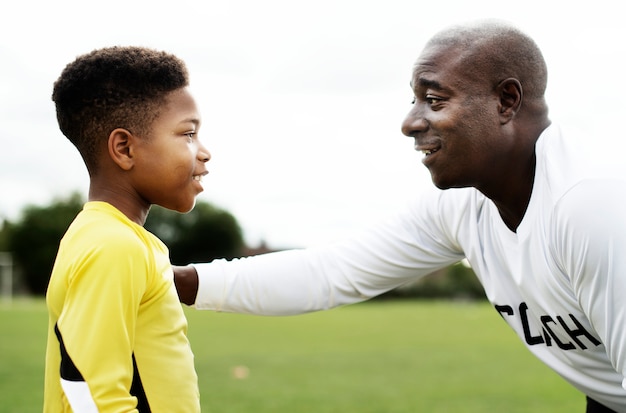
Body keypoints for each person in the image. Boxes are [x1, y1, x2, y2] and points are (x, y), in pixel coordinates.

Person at [174, 20, 626, 412]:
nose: (410, 122)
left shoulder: (591, 204)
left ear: (506, 101)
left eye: (434, 99)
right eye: (414, 100)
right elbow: (329, 272)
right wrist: (171, 281)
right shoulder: (463, 204)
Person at [44, 46, 210, 412]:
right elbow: (91, 394)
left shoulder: (114, 237)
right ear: (124, 148)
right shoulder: (113, 246)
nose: (203, 152)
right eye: (188, 134)